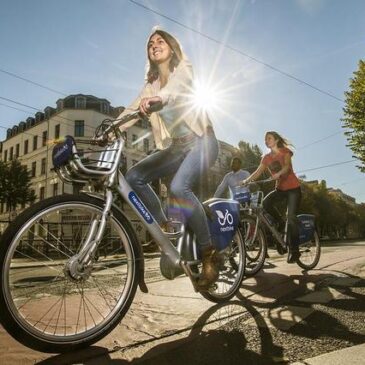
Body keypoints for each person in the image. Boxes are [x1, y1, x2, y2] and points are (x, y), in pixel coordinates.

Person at [115, 28, 219, 290]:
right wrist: (111, 128)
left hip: (202, 141)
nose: (154, 45)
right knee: (134, 177)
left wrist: (159, 98)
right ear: (149, 55)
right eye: (150, 43)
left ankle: (209, 253)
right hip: (177, 147)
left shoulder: (183, 67)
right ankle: (164, 227)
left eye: (160, 41)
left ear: (171, 48)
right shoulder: (150, 85)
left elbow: (176, 88)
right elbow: (130, 111)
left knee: (178, 188)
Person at [242, 131, 301, 263]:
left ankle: (295, 251)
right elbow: (257, 172)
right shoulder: (266, 158)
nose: (266, 141)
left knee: (291, 217)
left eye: (269, 138)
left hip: (293, 189)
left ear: (276, 140)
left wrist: (278, 174)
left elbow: (286, 167)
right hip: (280, 189)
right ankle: (280, 224)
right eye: (265, 139)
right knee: (265, 204)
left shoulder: (285, 151)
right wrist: (246, 181)